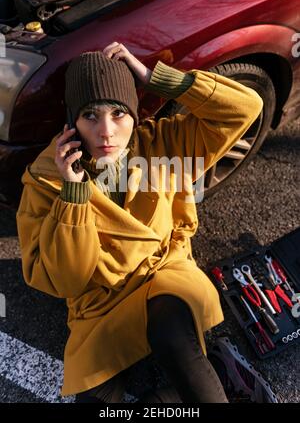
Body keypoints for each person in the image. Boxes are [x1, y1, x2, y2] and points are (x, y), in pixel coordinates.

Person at [16, 42, 263, 403]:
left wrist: (157, 78)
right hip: (100, 306)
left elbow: (246, 108)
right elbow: (67, 280)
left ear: (135, 113)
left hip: (163, 273)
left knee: (172, 334)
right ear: (71, 122)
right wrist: (73, 194)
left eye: (118, 113)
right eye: (90, 116)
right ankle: (210, 378)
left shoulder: (161, 143)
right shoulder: (46, 180)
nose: (106, 133)